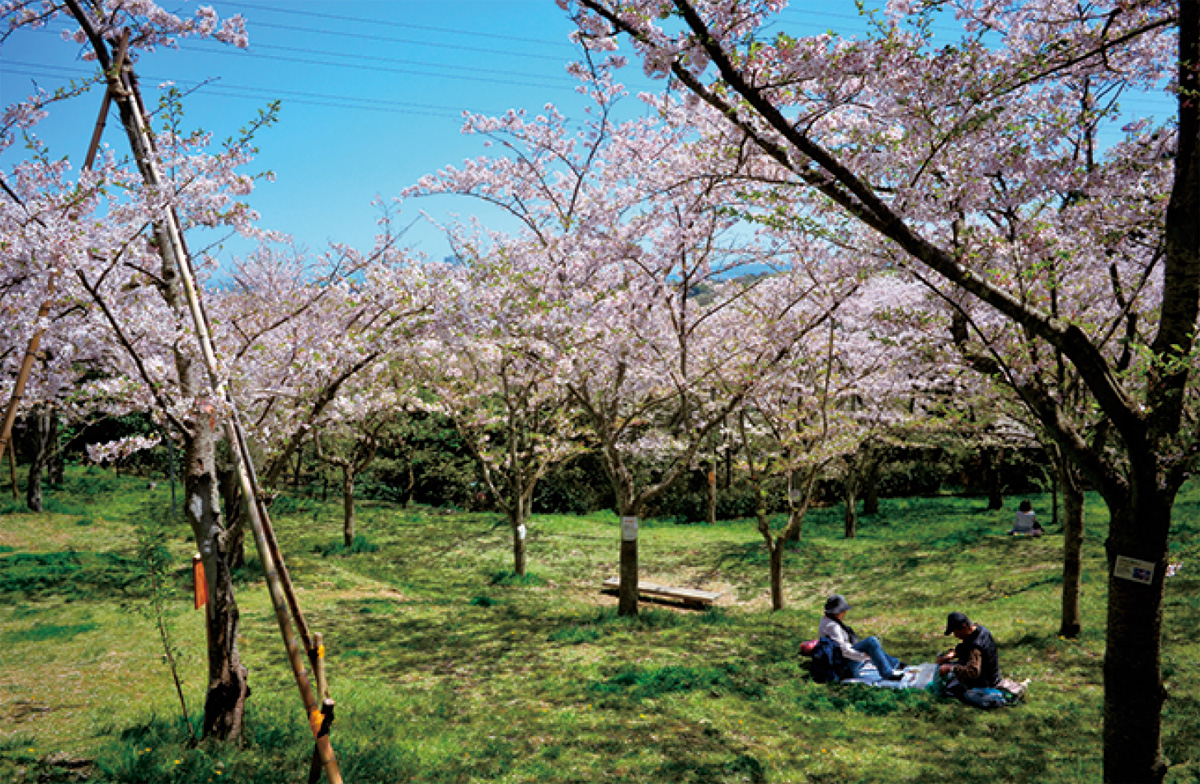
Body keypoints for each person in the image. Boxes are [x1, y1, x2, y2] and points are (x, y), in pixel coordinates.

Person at [818, 594, 906, 681]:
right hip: (844, 669)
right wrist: (864, 656)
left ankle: (895, 664)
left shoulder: (826, 620)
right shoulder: (833, 626)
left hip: (841, 663)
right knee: (871, 642)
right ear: (836, 612)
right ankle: (888, 674)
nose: (844, 613)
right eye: (842, 611)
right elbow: (844, 651)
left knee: (872, 647)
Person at [937, 611, 1002, 699]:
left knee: (950, 686)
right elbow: (964, 647)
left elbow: (973, 671)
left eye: (956, 632)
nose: (955, 636)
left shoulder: (975, 648)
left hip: (985, 682)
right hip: (994, 676)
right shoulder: (979, 631)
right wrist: (949, 657)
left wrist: (950, 668)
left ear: (964, 628)